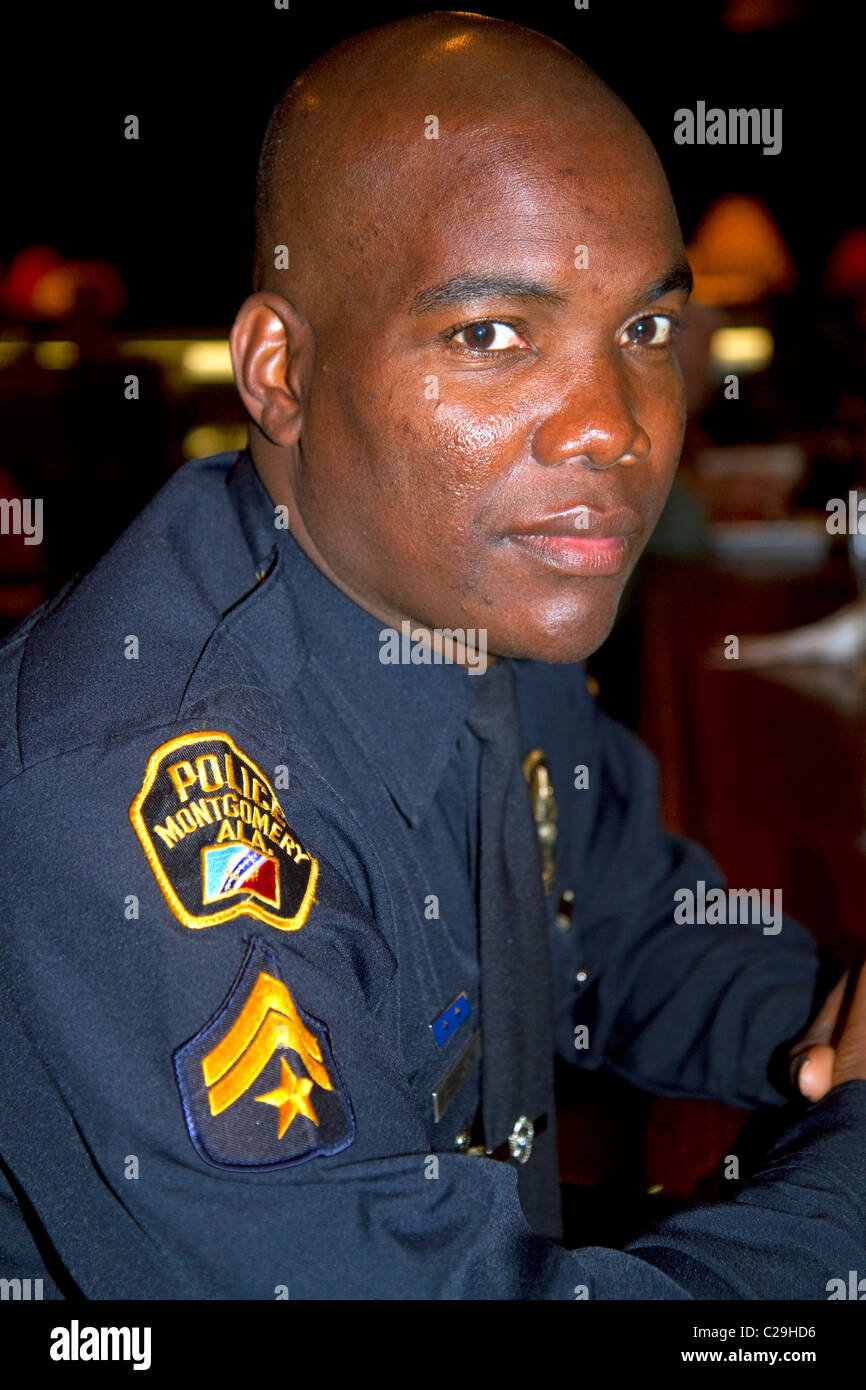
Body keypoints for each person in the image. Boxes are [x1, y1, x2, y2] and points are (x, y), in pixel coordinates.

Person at [1, 11, 864, 1300]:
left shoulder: (467, 590)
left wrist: (825, 1031)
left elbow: (620, 926)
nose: (613, 430)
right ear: (280, 371)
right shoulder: (138, 797)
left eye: (643, 332)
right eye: (491, 335)